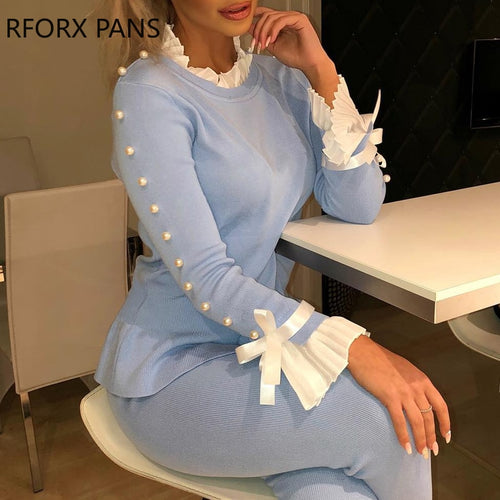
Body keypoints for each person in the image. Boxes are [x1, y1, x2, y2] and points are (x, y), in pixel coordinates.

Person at [95, 2, 451, 498]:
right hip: (174, 368)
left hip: (266, 351)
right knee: (394, 424)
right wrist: (353, 346)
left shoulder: (279, 81)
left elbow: (359, 205)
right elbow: (208, 278)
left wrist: (321, 71)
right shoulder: (149, 92)